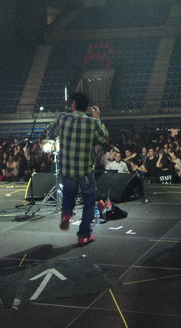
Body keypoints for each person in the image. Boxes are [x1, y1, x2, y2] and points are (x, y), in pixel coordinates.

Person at [57, 92, 109, 246]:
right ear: (86, 107)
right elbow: (104, 138)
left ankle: (66, 214)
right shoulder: (92, 122)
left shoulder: (63, 118)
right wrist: (97, 118)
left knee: (68, 195)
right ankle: (83, 236)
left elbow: (51, 132)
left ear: (73, 104)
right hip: (85, 170)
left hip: (67, 169)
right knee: (88, 202)